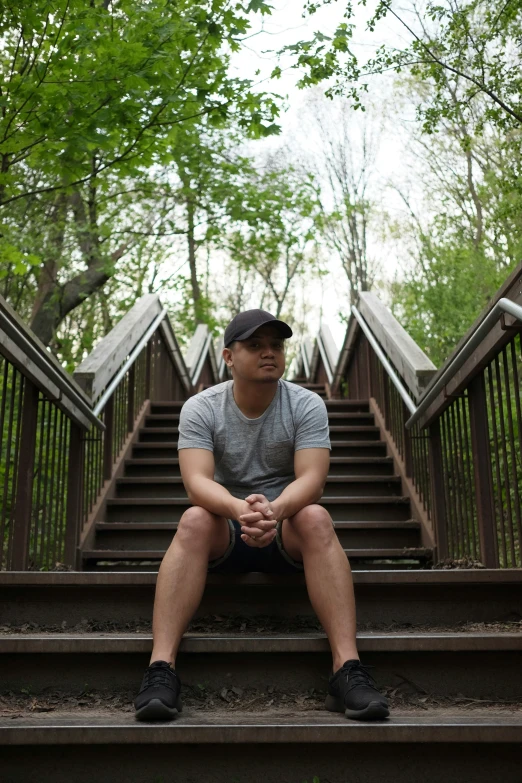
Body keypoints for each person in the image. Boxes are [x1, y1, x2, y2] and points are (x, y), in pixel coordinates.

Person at [134, 309, 390, 722]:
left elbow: (313, 479)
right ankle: (161, 670)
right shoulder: (201, 408)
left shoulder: (306, 404)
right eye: (254, 345)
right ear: (228, 357)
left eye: (276, 345)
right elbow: (197, 482)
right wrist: (239, 510)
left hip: (284, 530)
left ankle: (347, 671)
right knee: (194, 518)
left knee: (317, 517)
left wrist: (275, 511)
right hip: (226, 532)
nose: (268, 353)